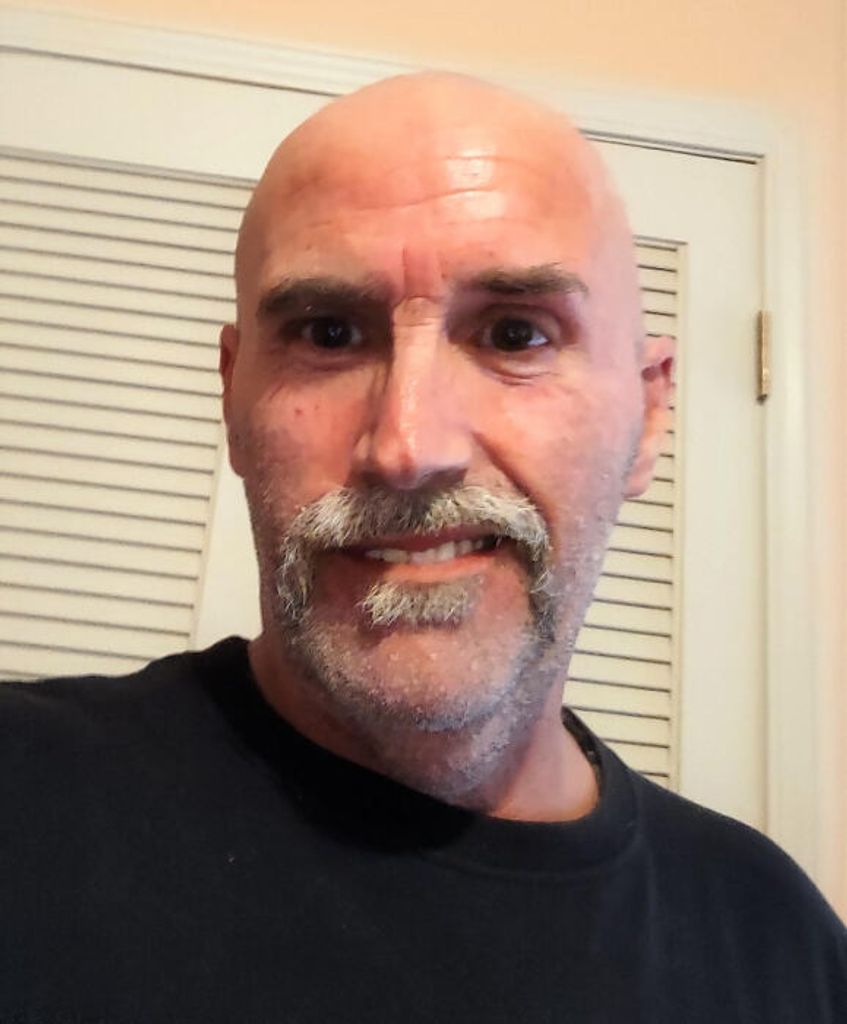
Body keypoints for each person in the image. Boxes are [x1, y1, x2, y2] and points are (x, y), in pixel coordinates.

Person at [1, 72, 845, 1023]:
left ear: (648, 418)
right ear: (233, 400)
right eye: (329, 333)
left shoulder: (780, 945)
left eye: (515, 335)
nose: (407, 447)